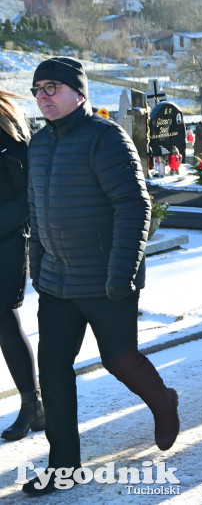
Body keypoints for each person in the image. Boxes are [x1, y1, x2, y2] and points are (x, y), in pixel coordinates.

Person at [24, 57, 179, 496]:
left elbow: (134, 205)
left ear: (79, 92)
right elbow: (36, 213)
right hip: (56, 284)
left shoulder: (106, 139)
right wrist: (38, 267)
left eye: (53, 87)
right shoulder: (38, 145)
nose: (44, 96)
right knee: (52, 371)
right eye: (38, 89)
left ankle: (163, 402)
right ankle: (63, 466)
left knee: (120, 360)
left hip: (106, 278)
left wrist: (121, 273)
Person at [0, 91, 44, 442]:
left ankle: (32, 404)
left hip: (7, 240)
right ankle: (36, 406)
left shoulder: (8, 129)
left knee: (3, 320)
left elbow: (25, 194)